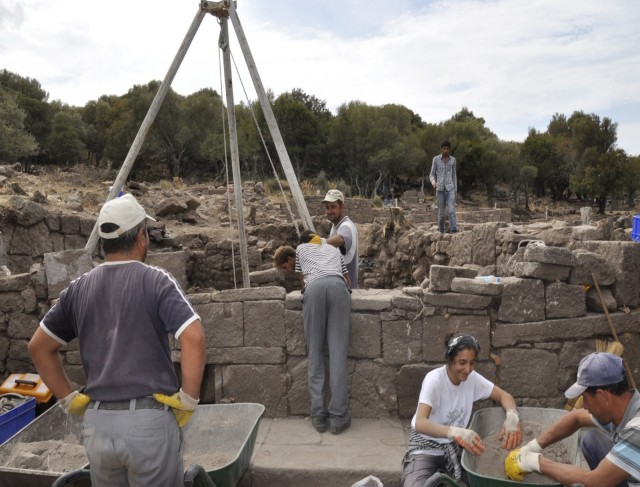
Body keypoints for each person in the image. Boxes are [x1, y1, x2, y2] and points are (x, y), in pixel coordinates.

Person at [28, 193, 206, 487]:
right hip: (148, 424)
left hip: (98, 426)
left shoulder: (79, 288)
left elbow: (39, 347)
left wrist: (69, 399)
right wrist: (187, 399)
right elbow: (194, 337)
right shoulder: (156, 280)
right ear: (140, 238)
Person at [402, 334, 522, 487]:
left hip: (456, 447)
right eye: (462, 362)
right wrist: (454, 432)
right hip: (426, 446)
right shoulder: (434, 380)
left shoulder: (472, 379)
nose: (468, 369)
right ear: (450, 359)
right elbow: (420, 423)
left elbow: (504, 396)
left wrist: (512, 415)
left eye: (472, 363)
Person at [506, 352, 640, 487]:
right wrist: (533, 447)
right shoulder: (622, 409)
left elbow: (595, 481)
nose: (585, 406)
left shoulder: (636, 431)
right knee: (591, 440)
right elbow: (575, 418)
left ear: (602, 396)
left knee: (581, 484)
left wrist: (534, 462)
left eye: (585, 398)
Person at [288, 230, 352, 434]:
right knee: (338, 355)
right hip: (338, 288)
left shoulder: (300, 249)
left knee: (315, 354)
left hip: (314, 289)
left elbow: (302, 279)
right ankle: (339, 418)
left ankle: (318, 416)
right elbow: (347, 280)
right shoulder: (334, 249)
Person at [323, 189, 359, 288]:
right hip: (339, 288)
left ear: (342, 207)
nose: (329, 211)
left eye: (333, 207)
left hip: (347, 289)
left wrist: (321, 242)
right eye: (327, 207)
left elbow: (341, 239)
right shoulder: (335, 226)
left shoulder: (346, 226)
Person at [429, 139, 458, 234]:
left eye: (447, 149)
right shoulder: (436, 159)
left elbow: (454, 175)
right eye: (444, 149)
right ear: (441, 149)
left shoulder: (453, 160)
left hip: (450, 188)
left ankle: (454, 230)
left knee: (451, 211)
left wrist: (455, 190)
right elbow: (432, 174)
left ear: (449, 149)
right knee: (441, 214)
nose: (446, 150)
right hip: (440, 189)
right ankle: (441, 232)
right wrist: (433, 182)